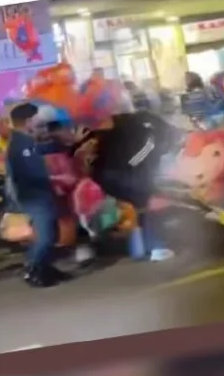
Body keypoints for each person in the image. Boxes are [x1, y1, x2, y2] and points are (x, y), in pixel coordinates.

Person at [72, 109, 182, 262]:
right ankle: (153, 247)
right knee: (145, 207)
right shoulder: (138, 124)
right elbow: (148, 149)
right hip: (122, 174)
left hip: (107, 176)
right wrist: (133, 167)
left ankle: (135, 249)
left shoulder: (97, 128)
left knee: (130, 209)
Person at [7, 103, 71, 287]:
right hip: (34, 197)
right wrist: (56, 178)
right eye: (36, 119)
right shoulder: (21, 145)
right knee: (45, 237)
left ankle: (46, 269)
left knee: (52, 233)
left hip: (40, 194)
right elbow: (31, 172)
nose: (38, 123)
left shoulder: (25, 141)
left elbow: (41, 152)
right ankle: (32, 269)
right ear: (28, 121)